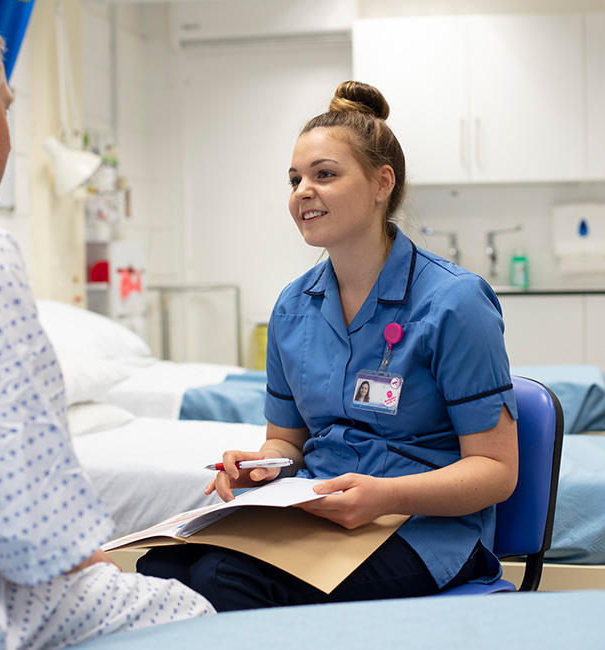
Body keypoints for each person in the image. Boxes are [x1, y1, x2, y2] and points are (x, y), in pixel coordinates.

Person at [0, 1, 213, 647]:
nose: (10, 131)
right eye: (7, 104)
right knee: (188, 612)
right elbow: (31, 528)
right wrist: (87, 556)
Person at [137, 81, 518, 611]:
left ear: (382, 183)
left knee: (225, 580)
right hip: (321, 520)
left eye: (324, 175)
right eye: (295, 179)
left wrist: (386, 496)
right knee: (162, 570)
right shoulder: (293, 308)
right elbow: (287, 444)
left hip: (424, 531)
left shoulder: (454, 302)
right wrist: (261, 467)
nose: (301, 192)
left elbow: (497, 472)